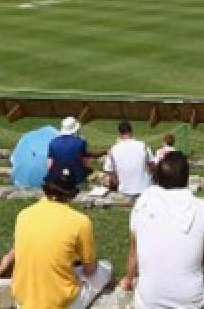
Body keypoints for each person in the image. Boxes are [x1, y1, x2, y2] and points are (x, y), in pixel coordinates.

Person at [120, 151, 204, 308]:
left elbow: (134, 250)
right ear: (186, 177)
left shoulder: (142, 204)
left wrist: (128, 280)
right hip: (192, 302)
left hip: (149, 301)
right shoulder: (200, 208)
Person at [11, 166, 112, 309]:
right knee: (106, 267)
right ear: (73, 193)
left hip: (23, 299)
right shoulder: (80, 221)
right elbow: (90, 270)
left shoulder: (23, 214)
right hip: (60, 302)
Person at [102, 121, 153, 197]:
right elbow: (152, 166)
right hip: (144, 188)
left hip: (125, 190)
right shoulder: (143, 145)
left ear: (119, 133)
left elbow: (109, 171)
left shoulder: (113, 149)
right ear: (131, 132)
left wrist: (116, 182)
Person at [47, 116, 90, 187]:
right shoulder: (81, 142)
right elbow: (86, 163)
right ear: (76, 129)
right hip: (77, 179)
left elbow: (49, 165)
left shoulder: (53, 142)